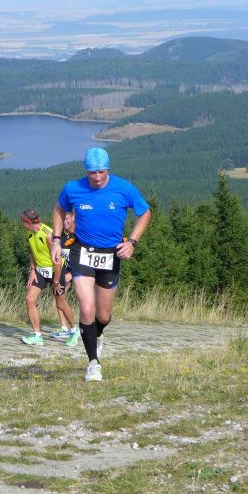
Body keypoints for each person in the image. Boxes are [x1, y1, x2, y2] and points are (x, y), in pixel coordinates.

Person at [51, 147, 150, 382]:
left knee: (103, 316)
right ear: (86, 171)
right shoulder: (73, 188)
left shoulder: (124, 189)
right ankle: (93, 363)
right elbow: (59, 209)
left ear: (108, 169)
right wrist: (56, 240)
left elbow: (145, 213)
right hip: (82, 251)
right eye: (92, 173)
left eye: (101, 172)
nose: (97, 177)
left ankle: (98, 333)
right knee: (87, 307)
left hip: (110, 255)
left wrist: (132, 242)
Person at [19, 208, 77, 347]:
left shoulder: (48, 236)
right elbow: (32, 251)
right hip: (40, 270)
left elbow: (57, 262)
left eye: (22, 221)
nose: (21, 224)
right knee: (29, 299)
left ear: (28, 222)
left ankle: (74, 331)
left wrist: (56, 281)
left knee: (60, 303)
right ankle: (37, 336)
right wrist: (33, 270)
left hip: (55, 270)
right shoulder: (30, 232)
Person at [50, 212, 78, 341]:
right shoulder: (61, 236)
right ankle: (64, 328)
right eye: (62, 219)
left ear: (73, 218)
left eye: (67, 219)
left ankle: (91, 328)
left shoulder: (79, 235)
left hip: (80, 272)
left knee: (87, 301)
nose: (64, 222)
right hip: (64, 271)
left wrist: (72, 274)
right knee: (59, 297)